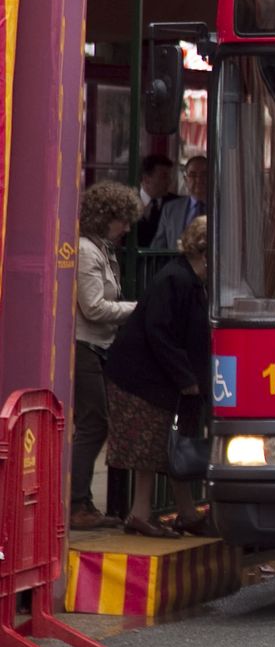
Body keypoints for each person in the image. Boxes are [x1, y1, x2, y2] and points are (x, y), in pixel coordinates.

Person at [104, 216, 213, 538]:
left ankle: (185, 511)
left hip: (158, 377)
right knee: (152, 446)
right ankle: (141, 514)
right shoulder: (176, 280)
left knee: (170, 447)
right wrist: (186, 378)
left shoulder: (189, 281)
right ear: (206, 251)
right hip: (143, 378)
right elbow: (159, 332)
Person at [70, 182, 143, 530]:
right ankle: (75, 502)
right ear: (105, 218)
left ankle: (80, 500)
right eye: (122, 220)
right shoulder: (87, 251)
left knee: (94, 423)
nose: (127, 228)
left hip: (98, 347)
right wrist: (138, 309)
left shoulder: (101, 250)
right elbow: (93, 308)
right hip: (84, 345)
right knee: (93, 423)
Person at [151, 155, 207, 250]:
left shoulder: (223, 208)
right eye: (193, 175)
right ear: (185, 179)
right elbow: (157, 248)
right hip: (176, 263)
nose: (198, 180)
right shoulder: (170, 209)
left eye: (204, 175)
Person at [136, 153, 176, 247]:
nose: (169, 181)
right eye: (164, 177)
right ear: (146, 179)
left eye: (170, 177)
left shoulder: (176, 204)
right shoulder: (128, 202)